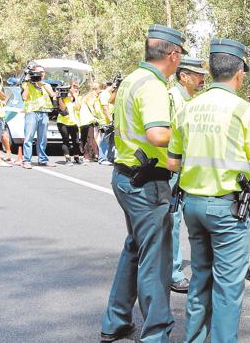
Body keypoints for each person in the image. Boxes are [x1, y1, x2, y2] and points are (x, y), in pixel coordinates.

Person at [166, 38, 250, 343]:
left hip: (193, 207)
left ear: (212, 71)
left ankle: (193, 338)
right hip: (227, 211)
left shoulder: (188, 109)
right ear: (239, 73)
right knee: (228, 286)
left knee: (200, 277)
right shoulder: (244, 111)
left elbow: (172, 163)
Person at [100, 24, 186, 343]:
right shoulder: (152, 86)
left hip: (125, 177)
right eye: (180, 58)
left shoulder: (132, 80)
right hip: (147, 184)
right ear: (173, 55)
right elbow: (157, 134)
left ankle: (116, 321)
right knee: (156, 260)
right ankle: (155, 335)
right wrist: (189, 140)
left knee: (134, 248)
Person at [167, 56, 208, 293]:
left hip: (185, 169)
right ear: (184, 76)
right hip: (173, 169)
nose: (202, 78)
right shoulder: (172, 98)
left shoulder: (190, 99)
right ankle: (173, 273)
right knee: (172, 222)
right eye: (197, 74)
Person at [21, 65, 56, 169]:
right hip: (32, 112)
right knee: (29, 137)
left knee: (42, 138)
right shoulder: (27, 84)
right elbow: (24, 97)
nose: (42, 74)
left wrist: (41, 83)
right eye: (39, 72)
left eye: (43, 72)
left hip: (44, 112)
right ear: (34, 73)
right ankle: (27, 160)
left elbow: (52, 94)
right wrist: (28, 82)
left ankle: (42, 159)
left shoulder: (46, 84)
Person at [56, 81, 81, 166]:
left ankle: (76, 158)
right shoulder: (64, 97)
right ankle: (67, 159)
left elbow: (78, 108)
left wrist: (76, 97)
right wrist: (59, 98)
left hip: (73, 123)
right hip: (63, 122)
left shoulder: (75, 98)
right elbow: (63, 109)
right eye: (73, 87)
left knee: (76, 142)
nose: (75, 89)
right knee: (65, 141)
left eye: (77, 88)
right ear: (69, 88)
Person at [77, 83, 100, 164]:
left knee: (85, 138)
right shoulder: (94, 98)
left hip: (82, 120)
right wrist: (98, 117)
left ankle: (88, 155)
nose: (99, 92)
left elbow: (78, 107)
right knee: (91, 138)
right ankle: (94, 155)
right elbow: (96, 110)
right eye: (98, 90)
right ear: (96, 89)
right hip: (90, 120)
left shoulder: (84, 97)